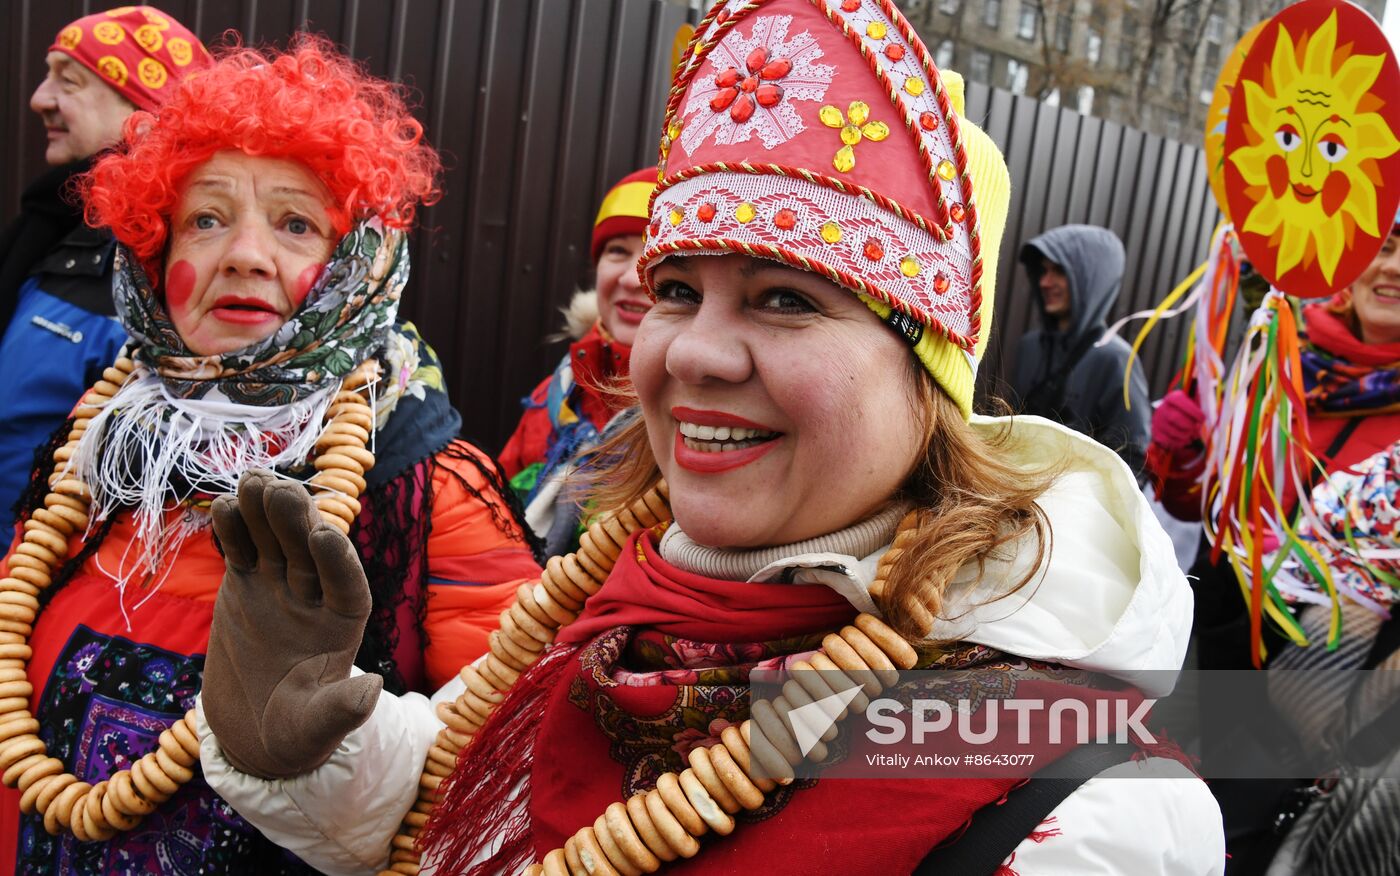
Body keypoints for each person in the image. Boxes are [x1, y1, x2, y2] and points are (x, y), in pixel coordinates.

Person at [197, 3, 1223, 873]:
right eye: (675, 290)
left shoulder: (1089, 806)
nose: (692, 352)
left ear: (930, 377)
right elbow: (446, 804)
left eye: (783, 299)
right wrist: (297, 739)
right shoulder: (617, 596)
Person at [0, 38, 538, 873]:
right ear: (155, 251)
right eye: (207, 219)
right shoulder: (99, 442)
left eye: (295, 224)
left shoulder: (431, 487)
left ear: (353, 267)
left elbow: (511, 778)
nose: (246, 255)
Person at [1150, 224, 1400, 873]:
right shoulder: (1282, 356)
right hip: (1221, 647)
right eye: (1388, 246)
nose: (1394, 269)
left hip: (1320, 697)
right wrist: (1184, 457)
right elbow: (1208, 515)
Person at [0, 7, 212, 520]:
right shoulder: (51, 225)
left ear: (145, 110)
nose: (38, 99)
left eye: (67, 81)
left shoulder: (167, 265)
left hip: (46, 578)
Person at [498, 168, 654, 556]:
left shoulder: (699, 417)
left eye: (654, 254)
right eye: (617, 251)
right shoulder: (558, 392)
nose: (632, 279)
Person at [1010, 224, 1152, 477]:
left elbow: (1132, 463)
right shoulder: (1030, 347)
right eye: (1043, 271)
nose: (1044, 282)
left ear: (1091, 278)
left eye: (1059, 271)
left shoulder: (1115, 360)